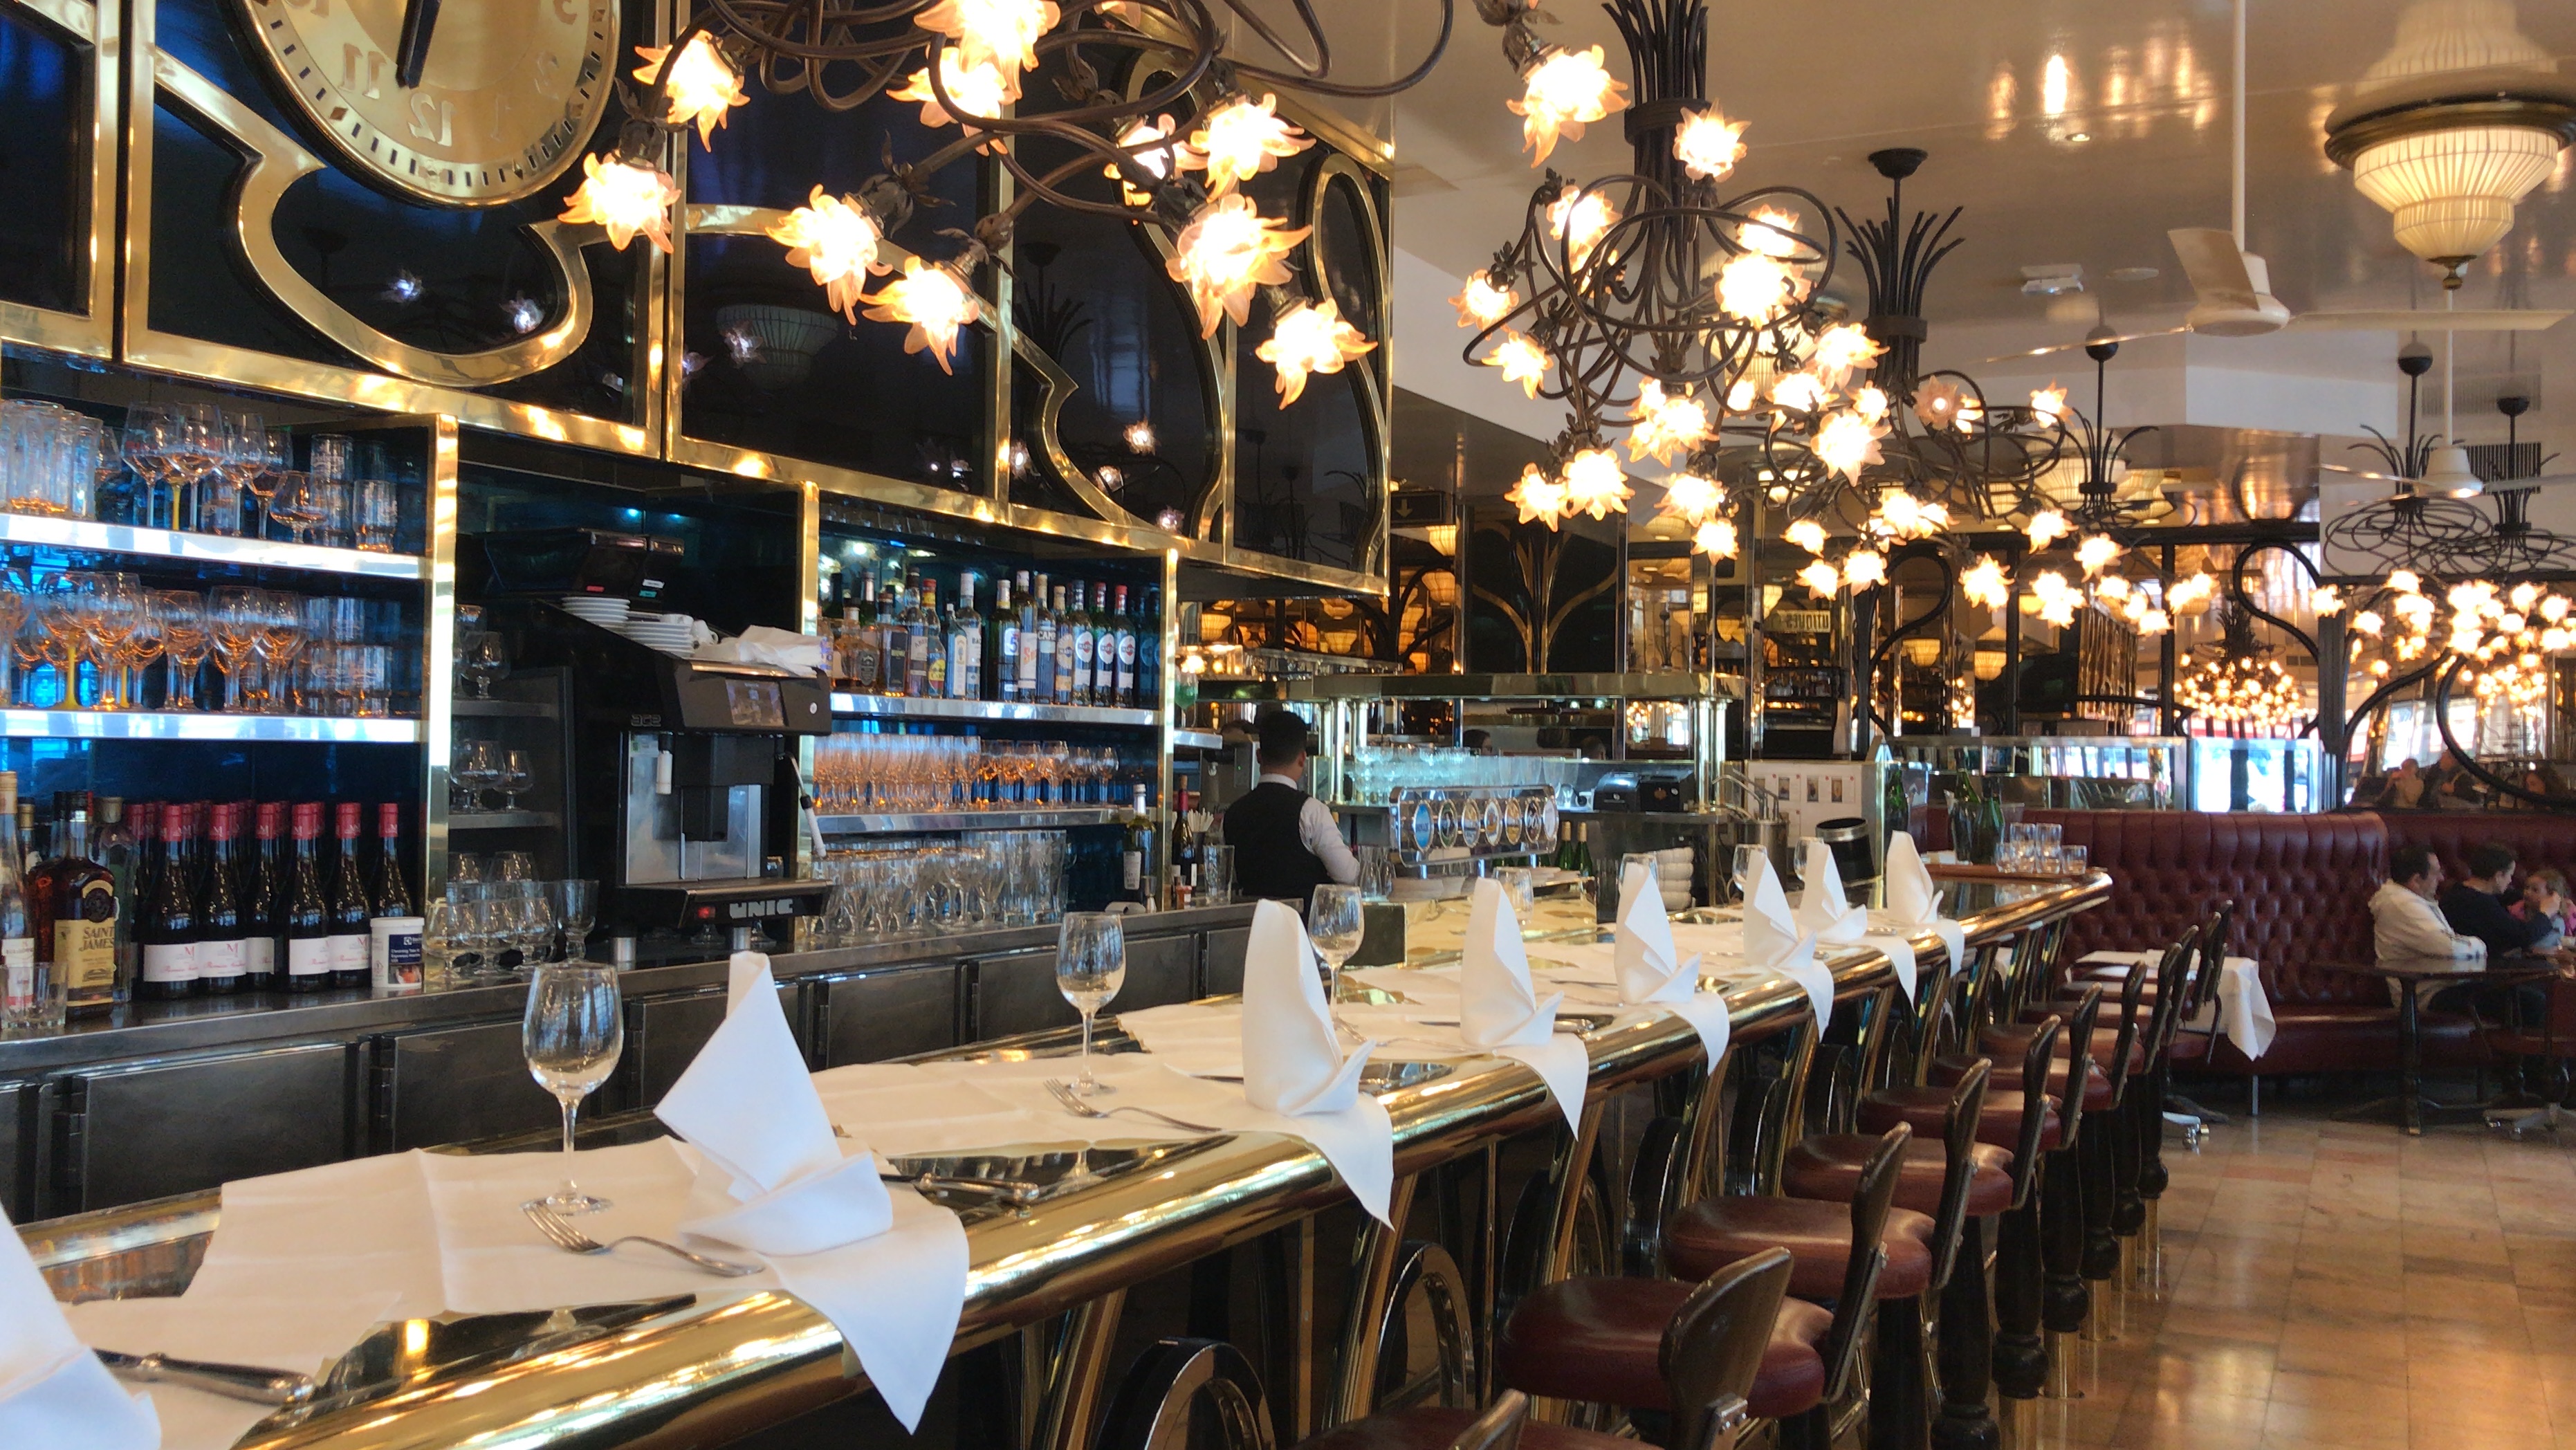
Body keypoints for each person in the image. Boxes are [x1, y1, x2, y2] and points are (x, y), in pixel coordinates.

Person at [1221, 710, 1359, 903]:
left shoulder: (1233, 813)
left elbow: (1229, 879)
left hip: (1252, 921)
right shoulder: (1312, 812)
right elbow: (1349, 875)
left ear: (1259, 756)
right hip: (1304, 921)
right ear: (1302, 758)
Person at [2438, 841, 2557, 958]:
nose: (2510, 880)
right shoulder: (2481, 903)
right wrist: (2546, 913)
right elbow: (2523, 936)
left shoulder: (2457, 891)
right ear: (2499, 876)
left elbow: (2509, 896)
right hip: (2482, 965)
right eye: (2510, 875)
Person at [2372, 845, 2482, 964]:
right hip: (2412, 975)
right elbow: (2450, 948)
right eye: (2436, 873)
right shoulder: (2402, 904)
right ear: (2416, 880)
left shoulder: (2414, 898)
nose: (2441, 878)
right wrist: (2479, 944)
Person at [2509, 868, 2573, 951]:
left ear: (2552, 896)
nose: (2527, 892)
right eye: (2527, 888)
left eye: (2535, 890)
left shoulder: (2555, 921)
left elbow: (2541, 947)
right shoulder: (2518, 912)